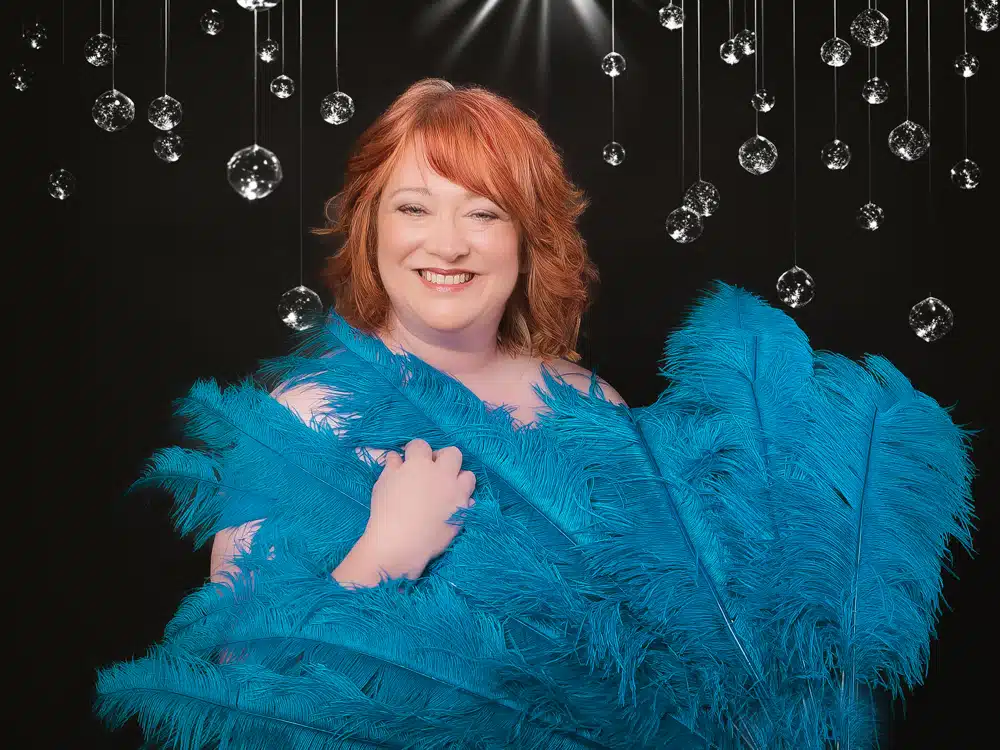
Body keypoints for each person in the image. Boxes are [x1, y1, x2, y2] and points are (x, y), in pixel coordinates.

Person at [210, 77, 627, 591]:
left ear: (527, 243)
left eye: (483, 213)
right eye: (414, 208)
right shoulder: (303, 415)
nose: (448, 246)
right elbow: (244, 660)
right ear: (372, 230)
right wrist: (391, 550)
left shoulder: (592, 410)